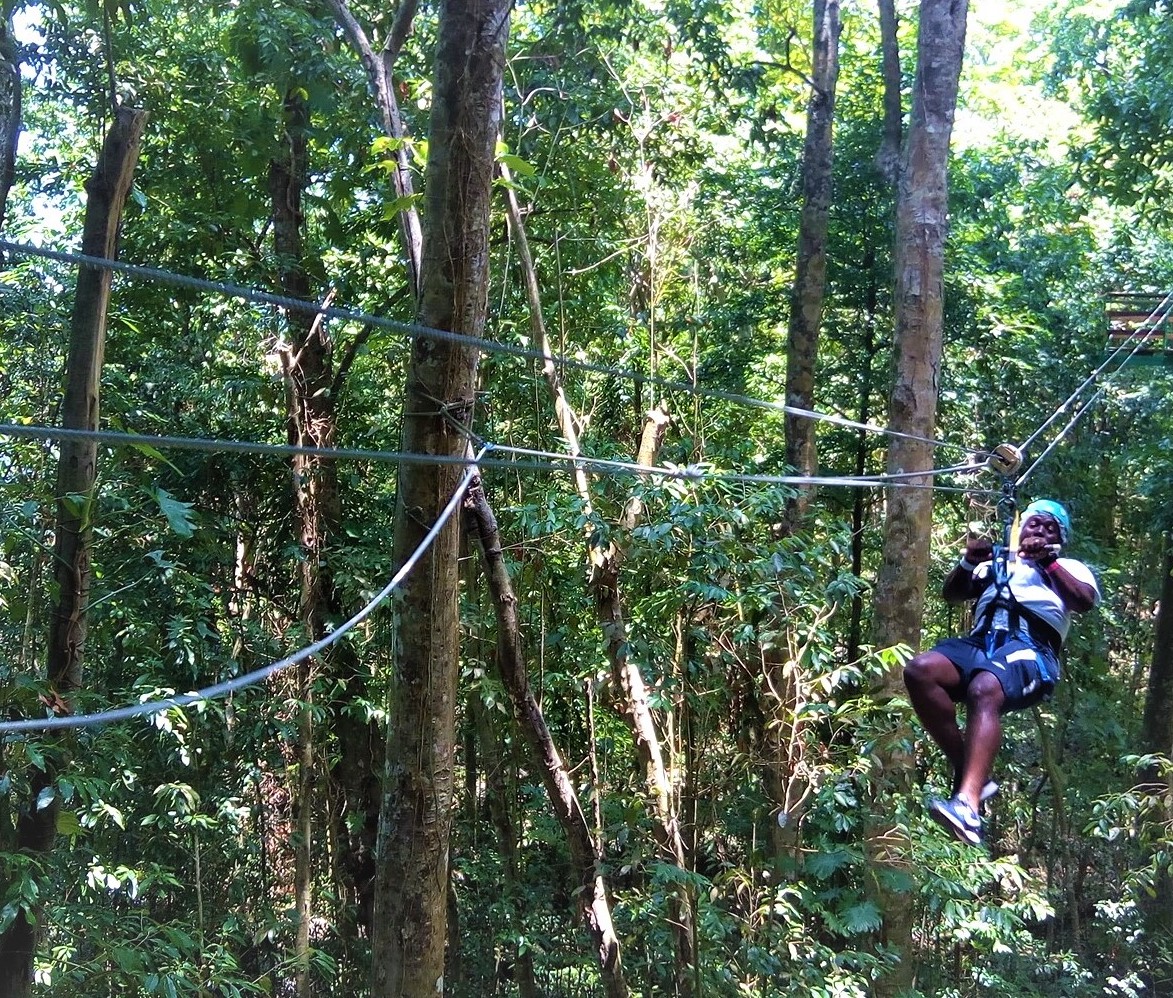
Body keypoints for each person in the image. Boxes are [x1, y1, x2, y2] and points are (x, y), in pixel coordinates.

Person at [903, 499, 1100, 846]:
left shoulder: (1068, 567)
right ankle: (972, 773)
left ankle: (967, 805)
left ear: (1060, 539)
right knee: (921, 671)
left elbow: (1082, 601)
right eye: (1034, 524)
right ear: (1021, 529)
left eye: (1049, 527)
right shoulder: (999, 564)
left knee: (985, 687)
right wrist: (968, 561)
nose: (1039, 530)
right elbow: (952, 594)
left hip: (1032, 649)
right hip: (981, 643)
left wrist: (1047, 560)